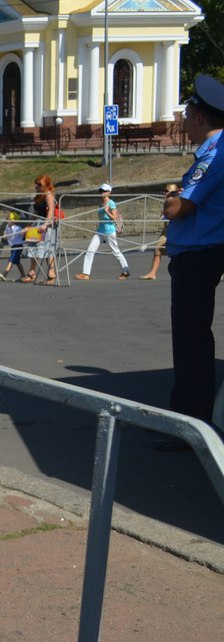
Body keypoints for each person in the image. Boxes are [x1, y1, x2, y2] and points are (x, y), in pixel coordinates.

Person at [161, 74, 224, 439]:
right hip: (202, 254)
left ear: (200, 118)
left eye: (186, 114)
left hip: (198, 257)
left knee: (191, 343)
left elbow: (178, 207)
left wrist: (171, 196)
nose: (183, 121)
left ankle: (190, 424)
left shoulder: (214, 155)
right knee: (195, 339)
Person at [75, 184, 130, 280]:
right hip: (100, 231)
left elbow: (114, 218)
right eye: (101, 191)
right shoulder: (100, 203)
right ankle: (85, 273)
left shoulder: (111, 203)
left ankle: (126, 271)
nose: (102, 193)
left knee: (116, 251)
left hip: (109, 231)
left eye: (104, 191)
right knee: (90, 250)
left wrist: (107, 211)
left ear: (109, 192)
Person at [24, 174, 60, 284]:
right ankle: (32, 272)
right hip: (37, 223)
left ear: (45, 185)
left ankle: (51, 274)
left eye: (38, 184)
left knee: (47, 248)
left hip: (46, 225)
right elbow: (36, 212)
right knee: (33, 246)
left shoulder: (48, 195)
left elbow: (50, 211)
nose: (36, 186)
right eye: (35, 183)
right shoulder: (38, 196)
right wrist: (30, 224)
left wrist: (45, 224)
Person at [142, 183, 179, 280]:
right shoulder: (166, 201)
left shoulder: (176, 201)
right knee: (158, 249)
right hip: (166, 229)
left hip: (175, 229)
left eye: (166, 191)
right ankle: (152, 273)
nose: (164, 193)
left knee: (177, 252)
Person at [0, 211, 27, 281]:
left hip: (18, 246)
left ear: (14, 221)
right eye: (7, 219)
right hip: (13, 246)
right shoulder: (7, 226)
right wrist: (4, 235)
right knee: (17, 262)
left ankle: (5, 274)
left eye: (9, 219)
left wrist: (24, 233)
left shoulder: (18, 228)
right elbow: (5, 235)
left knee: (11, 259)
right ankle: (23, 275)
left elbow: (23, 235)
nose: (8, 221)